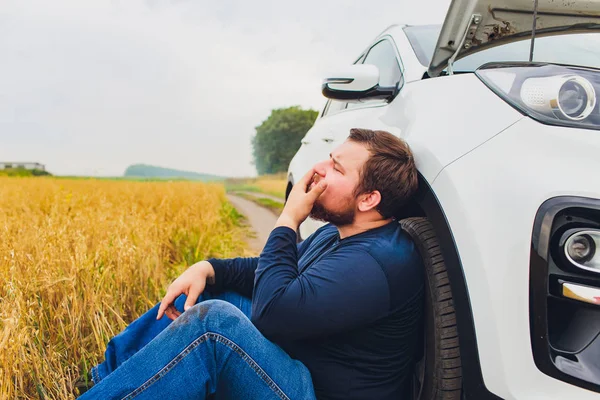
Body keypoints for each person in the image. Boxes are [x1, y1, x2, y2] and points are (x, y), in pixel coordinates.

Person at [78, 128, 424, 400]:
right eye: (328, 159)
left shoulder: (373, 264)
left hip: (312, 392)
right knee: (210, 292)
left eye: (336, 168)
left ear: (368, 199)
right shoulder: (342, 234)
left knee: (214, 323)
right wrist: (208, 268)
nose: (318, 169)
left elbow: (272, 312)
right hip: (304, 366)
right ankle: (105, 382)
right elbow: (270, 271)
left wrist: (289, 217)